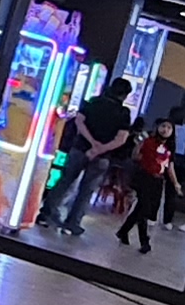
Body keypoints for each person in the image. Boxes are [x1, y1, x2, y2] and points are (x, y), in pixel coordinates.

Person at [50, 76, 137, 239]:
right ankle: (72, 223)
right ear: (125, 95)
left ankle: (47, 213)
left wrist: (91, 142)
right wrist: (99, 149)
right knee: (87, 190)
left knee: (65, 181)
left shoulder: (94, 102)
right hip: (102, 156)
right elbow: (121, 139)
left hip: (80, 148)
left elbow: (79, 122)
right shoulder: (123, 113)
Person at [119, 126, 177, 251]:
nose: (165, 130)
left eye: (169, 128)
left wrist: (176, 183)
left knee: (141, 209)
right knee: (144, 208)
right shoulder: (148, 141)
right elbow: (136, 156)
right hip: (144, 177)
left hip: (157, 181)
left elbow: (169, 167)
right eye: (163, 126)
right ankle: (144, 241)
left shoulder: (168, 148)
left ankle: (123, 231)